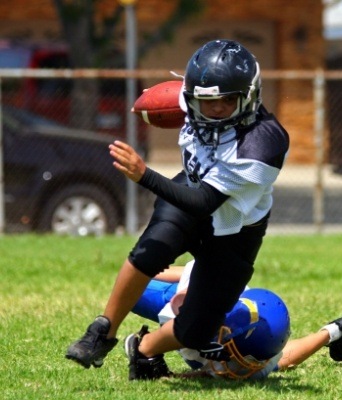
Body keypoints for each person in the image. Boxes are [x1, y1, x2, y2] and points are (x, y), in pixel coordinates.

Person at [65, 39, 291, 370]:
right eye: (206, 101)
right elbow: (169, 103)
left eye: (228, 100)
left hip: (234, 224)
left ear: (250, 96)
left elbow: (205, 203)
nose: (215, 109)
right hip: (191, 188)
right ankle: (102, 331)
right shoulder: (190, 100)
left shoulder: (264, 142)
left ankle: (143, 349)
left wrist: (145, 175)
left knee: (197, 330)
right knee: (150, 249)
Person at [126, 259, 342, 380]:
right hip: (183, 293)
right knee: (132, 288)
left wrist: (330, 333)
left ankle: (338, 330)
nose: (246, 364)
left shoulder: (262, 349)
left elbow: (280, 359)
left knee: (271, 366)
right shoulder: (209, 297)